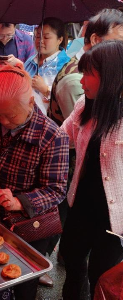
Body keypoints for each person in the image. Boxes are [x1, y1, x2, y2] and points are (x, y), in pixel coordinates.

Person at [0, 64, 69, 300]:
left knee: (23, 280)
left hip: (30, 226)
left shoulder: (53, 136)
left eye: (10, 115)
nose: (2, 121)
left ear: (31, 103)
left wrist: (20, 202)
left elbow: (56, 190)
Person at [60, 40, 123, 300]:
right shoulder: (84, 107)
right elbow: (60, 137)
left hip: (114, 217)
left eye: (88, 74)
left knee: (102, 274)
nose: (81, 81)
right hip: (81, 204)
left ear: (110, 77)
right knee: (72, 261)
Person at [24, 17, 70, 115]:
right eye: (37, 36)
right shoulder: (31, 60)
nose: (40, 41)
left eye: (46, 37)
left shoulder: (66, 66)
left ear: (60, 39)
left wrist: (46, 90)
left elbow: (68, 101)